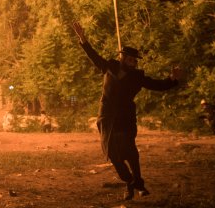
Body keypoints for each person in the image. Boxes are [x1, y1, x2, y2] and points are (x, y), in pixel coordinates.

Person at [72, 21, 183, 200]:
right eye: (129, 59)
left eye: (134, 61)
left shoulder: (137, 77)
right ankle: (130, 182)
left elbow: (157, 85)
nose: (132, 63)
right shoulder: (109, 67)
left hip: (125, 118)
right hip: (107, 118)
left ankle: (137, 183)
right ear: (122, 58)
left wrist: (172, 79)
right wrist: (83, 39)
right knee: (113, 154)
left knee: (130, 152)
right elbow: (94, 56)